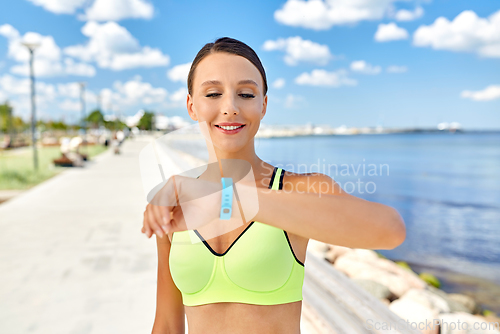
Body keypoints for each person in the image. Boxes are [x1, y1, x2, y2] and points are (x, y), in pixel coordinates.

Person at [141, 37, 406, 334]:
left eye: (245, 94)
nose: (229, 107)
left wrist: (229, 199)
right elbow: (166, 324)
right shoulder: (177, 203)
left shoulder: (299, 189)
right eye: (213, 93)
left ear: (264, 105)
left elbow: (390, 229)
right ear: (192, 106)